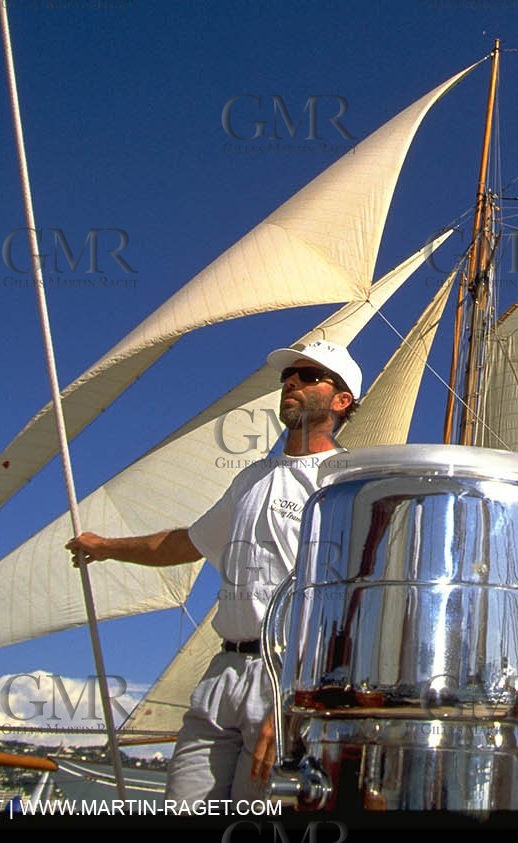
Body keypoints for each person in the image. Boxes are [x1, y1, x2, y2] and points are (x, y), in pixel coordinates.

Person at [66, 339, 361, 803]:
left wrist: (295, 702)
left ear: (341, 400)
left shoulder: (343, 484)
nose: (291, 382)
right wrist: (105, 547)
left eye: (308, 376)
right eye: (289, 375)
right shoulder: (251, 478)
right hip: (223, 672)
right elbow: (187, 542)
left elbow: (349, 602)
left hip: (285, 678)